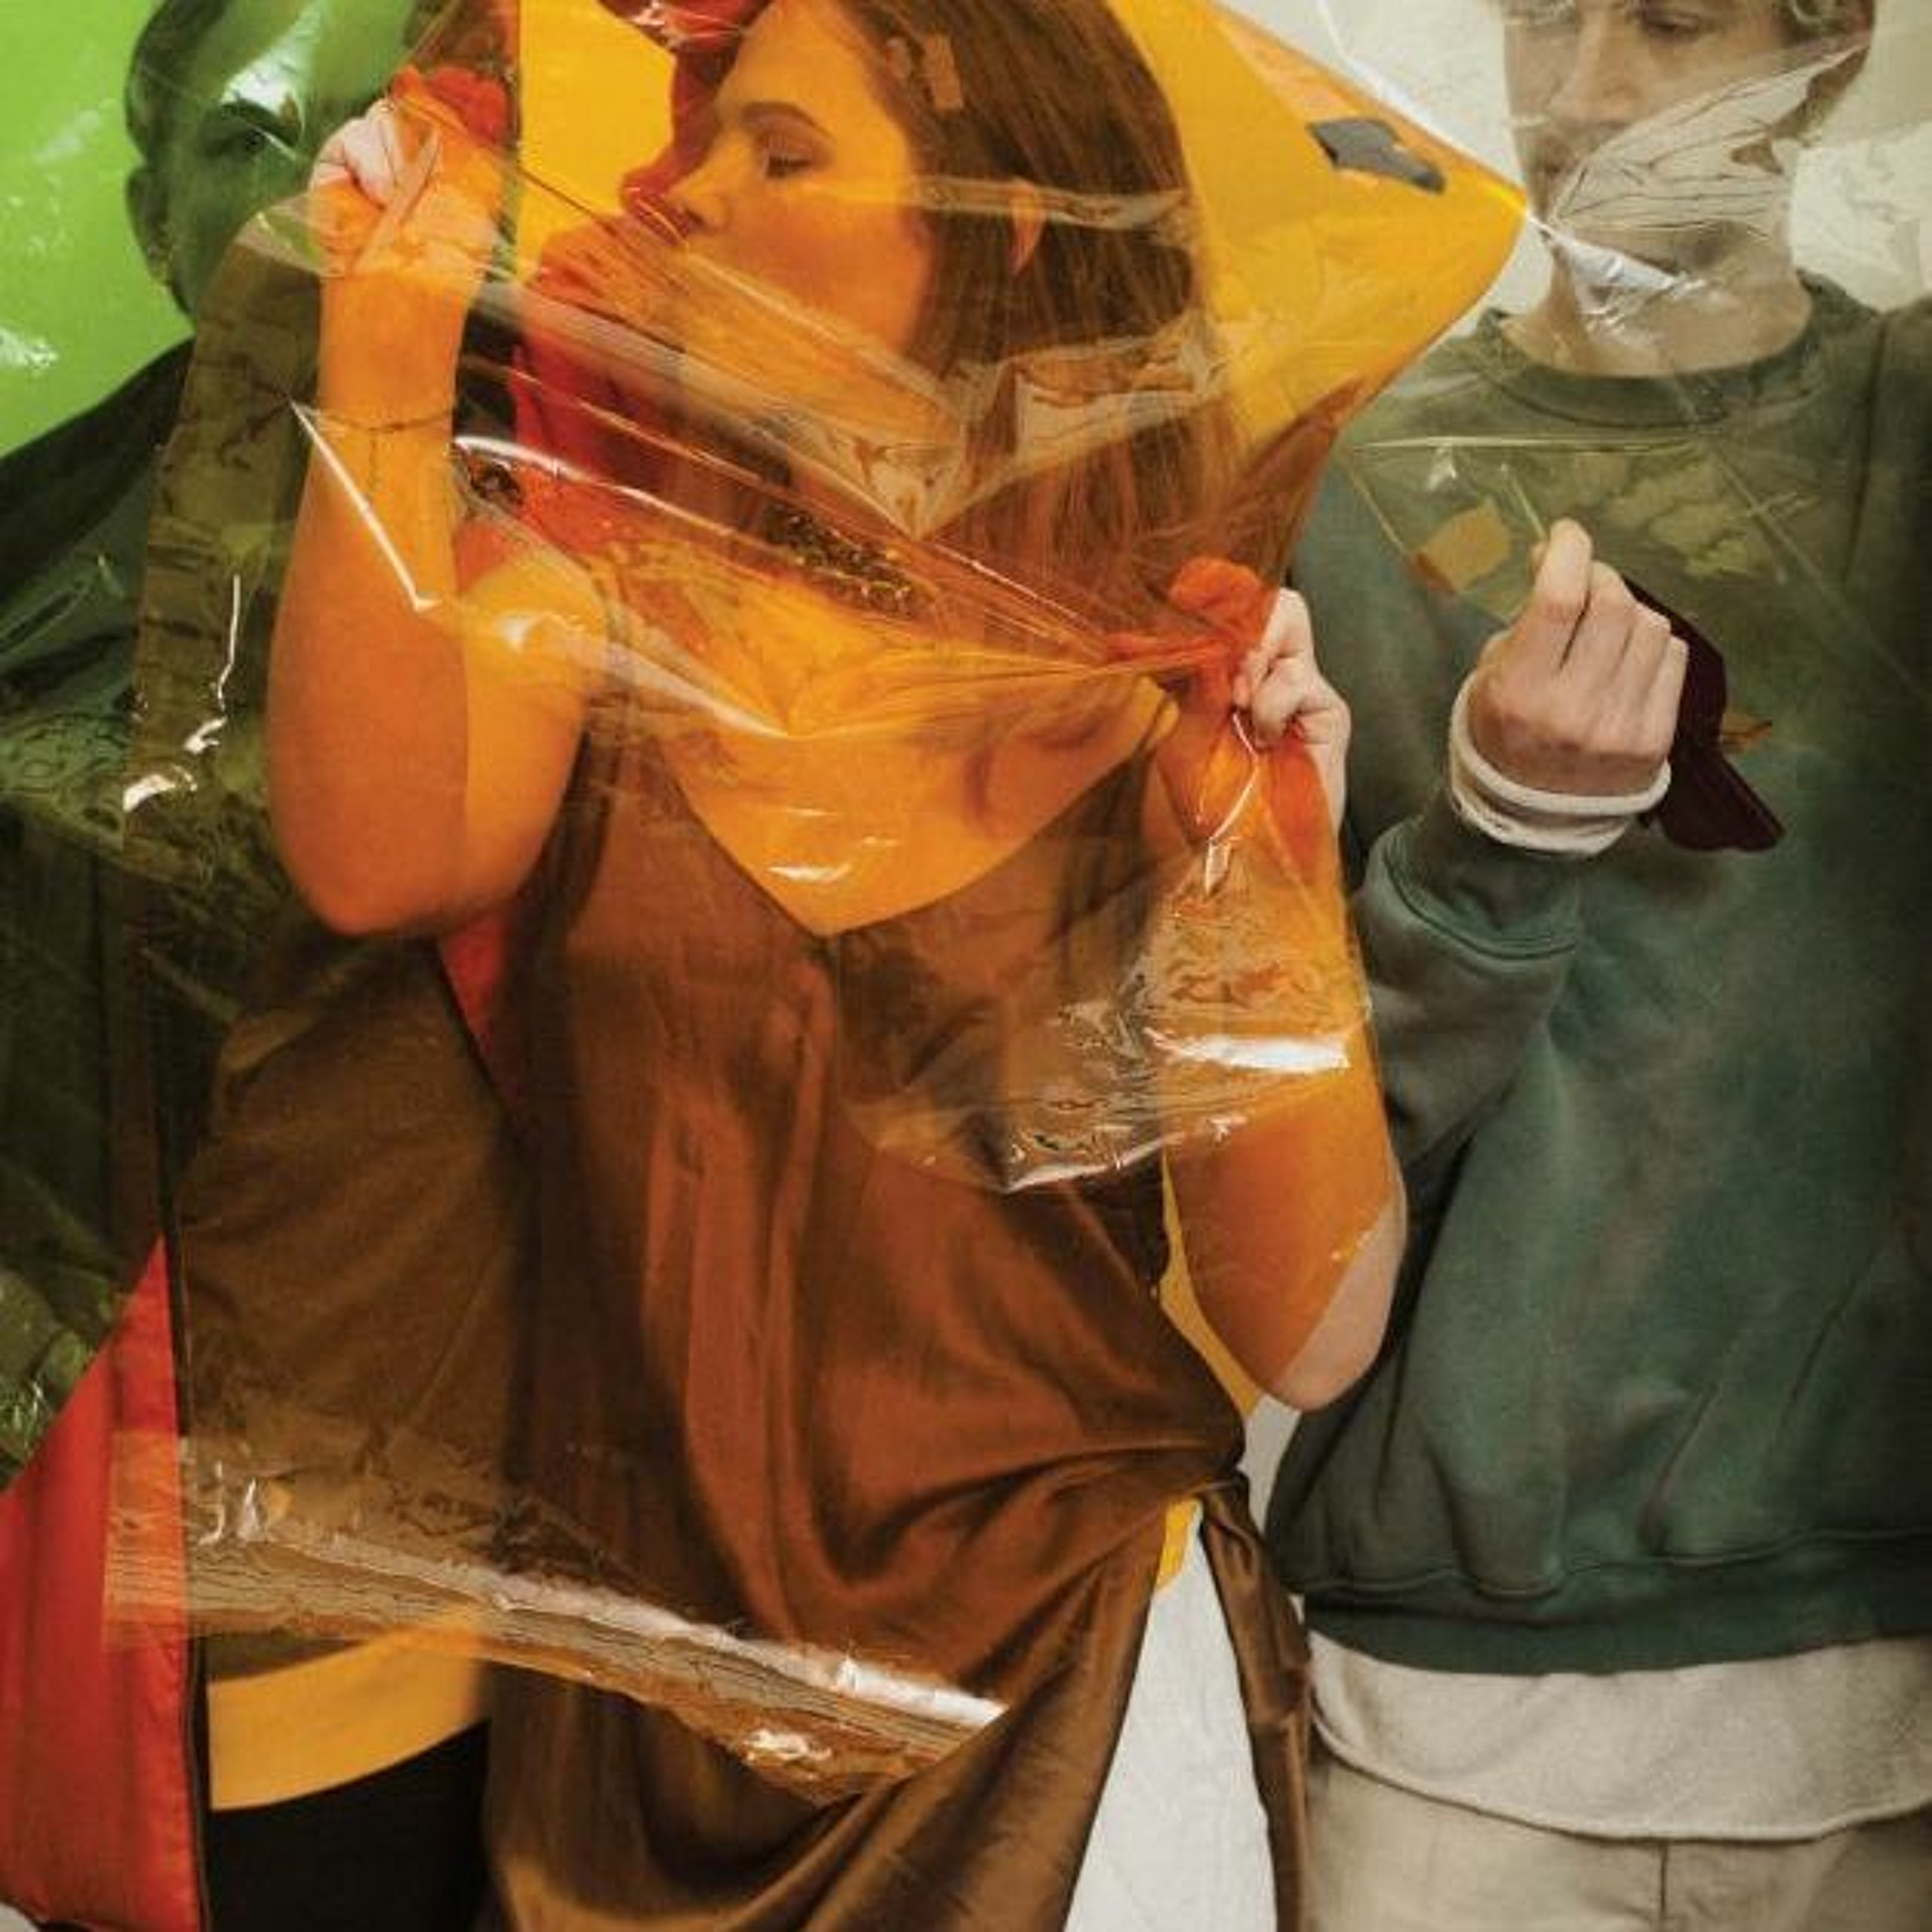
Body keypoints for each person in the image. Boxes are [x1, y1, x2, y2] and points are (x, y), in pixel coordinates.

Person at [276, 0, 1408, 1920]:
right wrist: (381, 349)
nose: (691, 193)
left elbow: (1313, 1332)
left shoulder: (1155, 698)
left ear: (1004, 225)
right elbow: (369, 859)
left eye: (781, 151)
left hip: (1066, 1714)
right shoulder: (596, 611)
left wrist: (1270, 872)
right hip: (635, 1746)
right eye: (710, 136)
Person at [1265, 1, 1932, 1924]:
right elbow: (1269, 1146)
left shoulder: (1906, 437)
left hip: (1889, 1684)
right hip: (1461, 1715)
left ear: (1832, 43)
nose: (1586, 88)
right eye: (1544, 12)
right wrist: (1495, 843)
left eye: (1671, 17)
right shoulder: (1354, 478)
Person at [0, 3, 522, 1926]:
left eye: (382, 119)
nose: (330, 182)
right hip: (94, 1571)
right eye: (248, 137)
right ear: (151, 216)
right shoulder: (23, 536)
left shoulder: (581, 526)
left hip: (435, 1604)